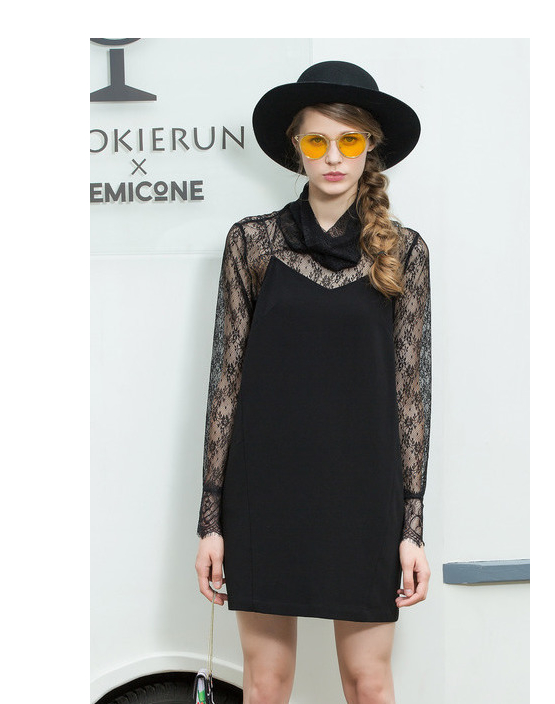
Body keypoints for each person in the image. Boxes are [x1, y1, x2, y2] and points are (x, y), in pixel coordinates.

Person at [194, 61, 432, 704]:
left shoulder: (404, 251)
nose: (332, 156)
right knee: (266, 685)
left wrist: (411, 526)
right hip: (265, 492)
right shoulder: (252, 243)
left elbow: (411, 393)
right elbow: (225, 384)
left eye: (349, 140)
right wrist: (211, 519)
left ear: (370, 148)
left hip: (365, 496)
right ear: (295, 147)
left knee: (369, 682)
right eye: (317, 140)